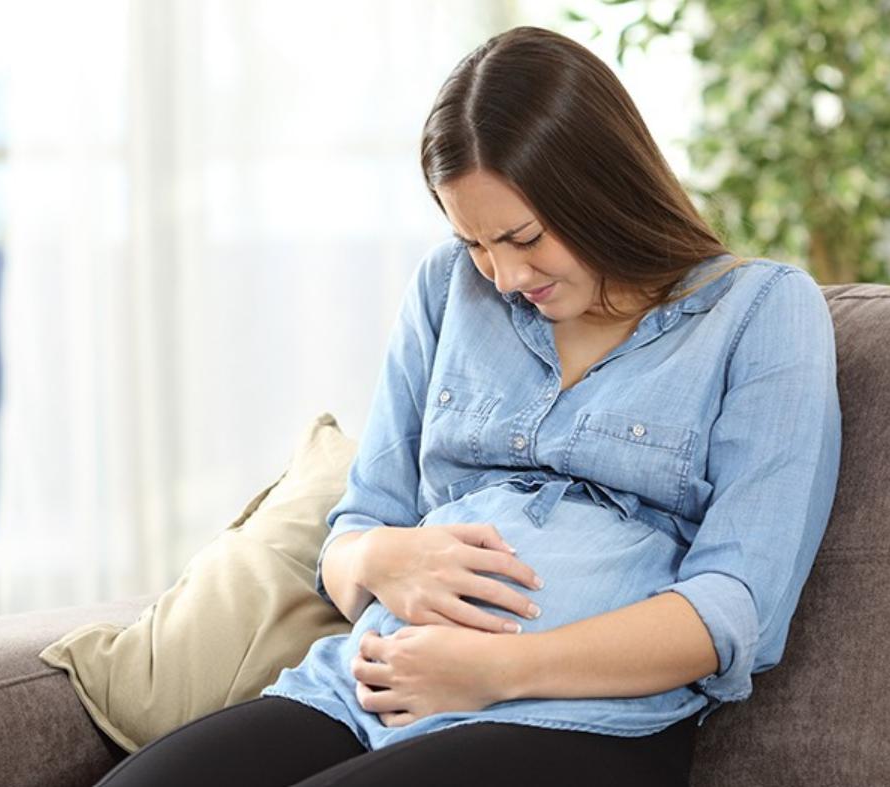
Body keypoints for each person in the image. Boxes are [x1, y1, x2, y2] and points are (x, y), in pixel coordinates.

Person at [94, 25, 841, 787]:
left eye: (523, 237)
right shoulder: (447, 287)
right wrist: (385, 557)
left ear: (602, 189)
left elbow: (734, 607)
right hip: (361, 687)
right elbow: (352, 533)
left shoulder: (760, 312)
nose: (504, 274)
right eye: (476, 242)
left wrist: (496, 668)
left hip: (577, 717)